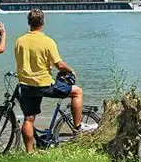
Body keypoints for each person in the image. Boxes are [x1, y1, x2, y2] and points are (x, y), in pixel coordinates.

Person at [15, 9, 96, 154]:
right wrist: (70, 70)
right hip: (44, 84)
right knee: (77, 92)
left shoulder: (19, 41)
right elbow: (59, 65)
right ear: (42, 22)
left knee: (28, 119)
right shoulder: (47, 41)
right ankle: (78, 127)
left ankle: (29, 152)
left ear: (28, 23)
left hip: (26, 85)